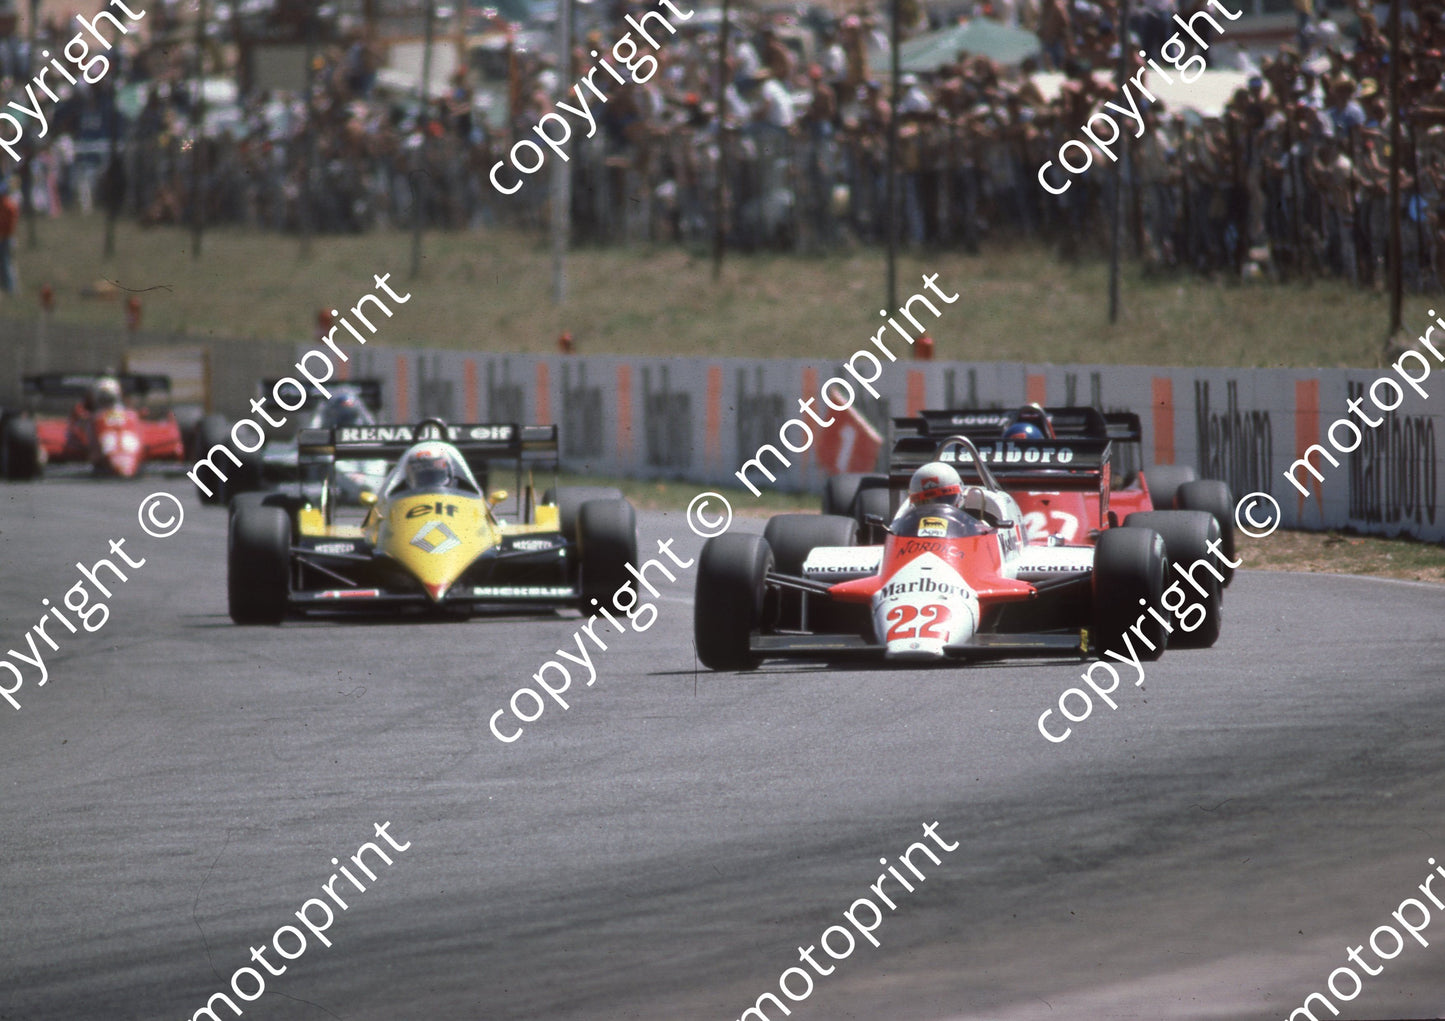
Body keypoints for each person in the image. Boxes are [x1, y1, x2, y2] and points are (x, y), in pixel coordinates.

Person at [0, 176, 17, 296]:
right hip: (4, 236)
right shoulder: (8, 205)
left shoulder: (8, 206)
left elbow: (10, 225)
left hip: (6, 238)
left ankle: (11, 288)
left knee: (6, 263)